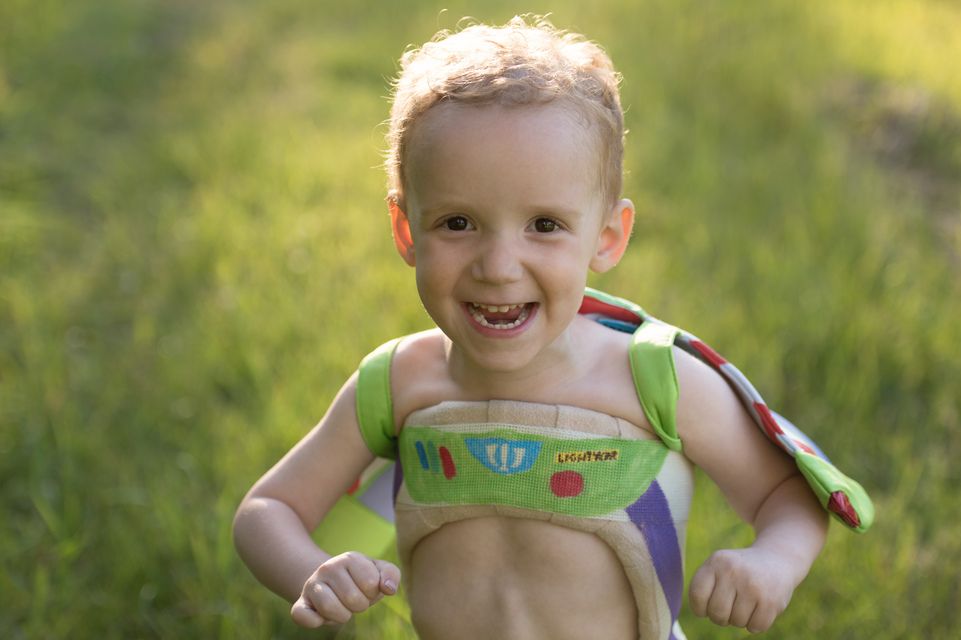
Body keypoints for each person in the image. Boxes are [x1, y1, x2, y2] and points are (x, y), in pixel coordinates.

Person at [233, 16, 828, 639]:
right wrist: (315, 571)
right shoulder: (399, 383)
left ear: (608, 237)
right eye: (458, 223)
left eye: (544, 225)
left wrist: (772, 561)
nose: (497, 267)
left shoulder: (656, 380)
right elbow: (266, 511)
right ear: (406, 230)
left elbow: (787, 493)